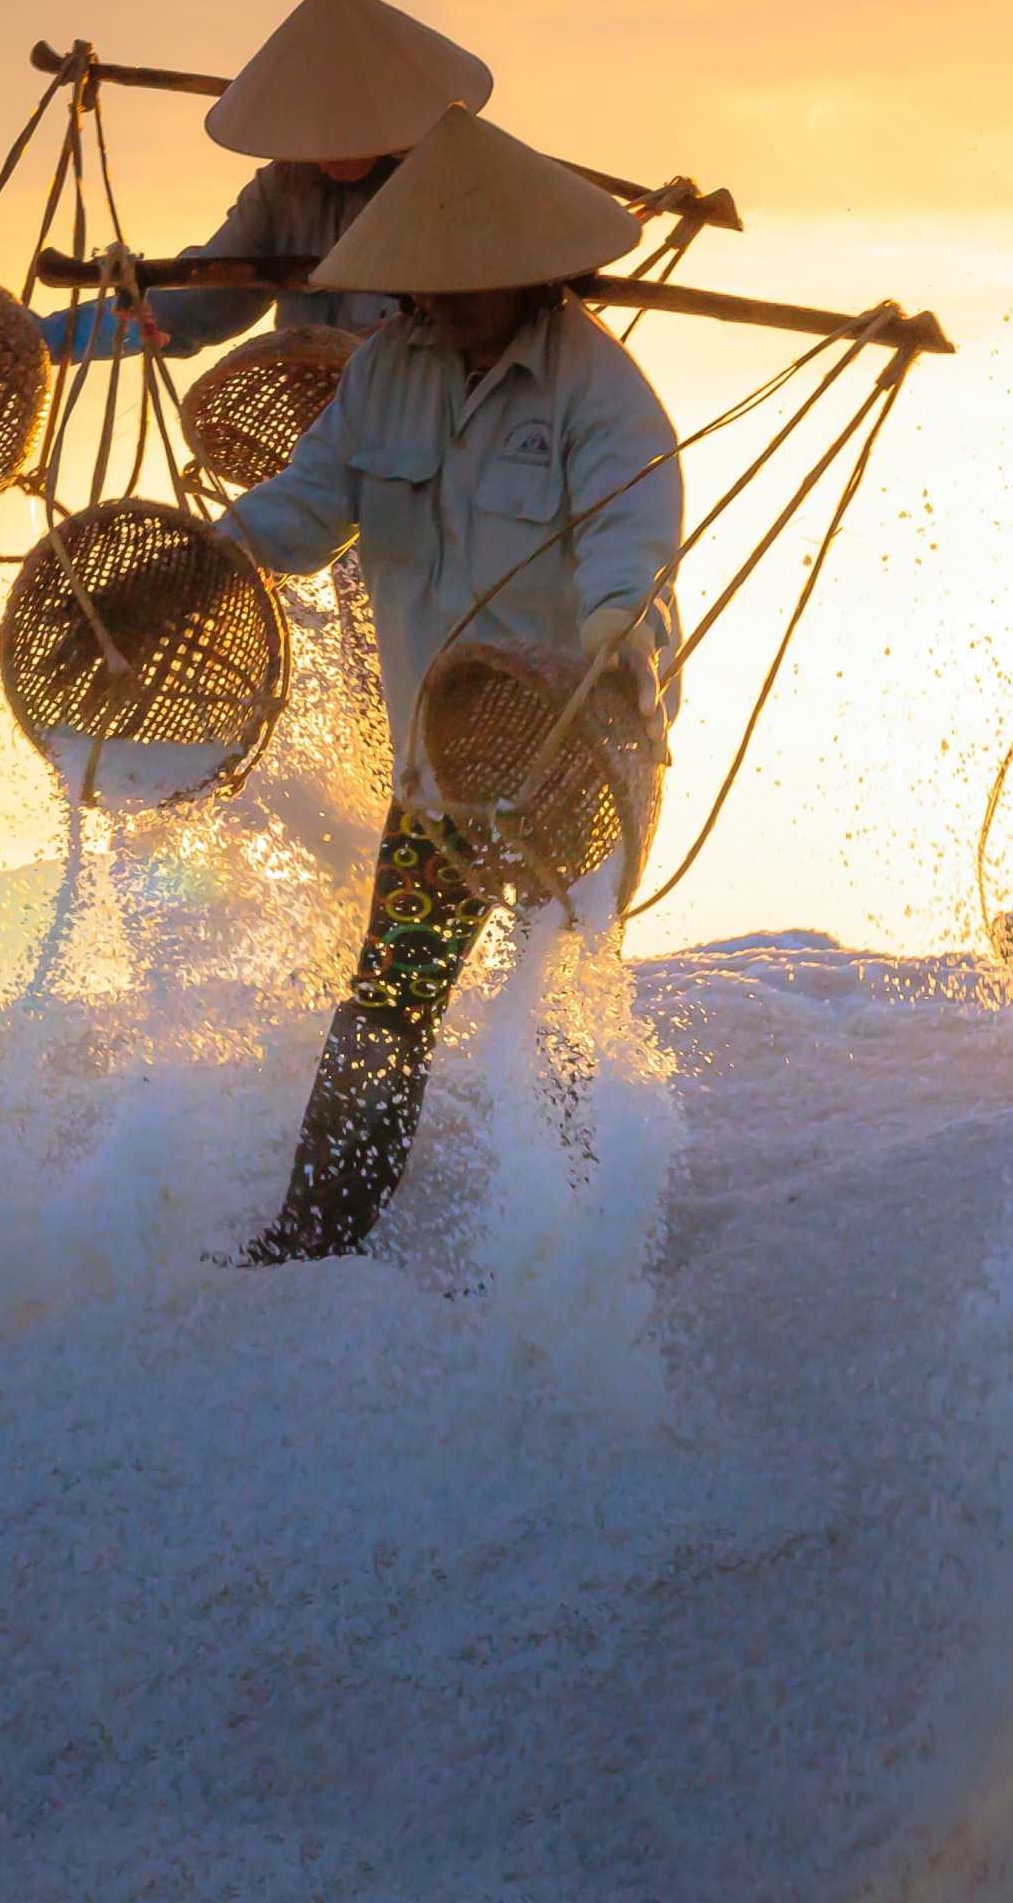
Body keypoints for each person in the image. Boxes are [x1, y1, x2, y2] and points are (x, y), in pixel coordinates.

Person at [211, 106, 683, 1264]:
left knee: (563, 1001)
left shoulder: (600, 393)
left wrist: (615, 643)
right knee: (388, 1000)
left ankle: (578, 1255)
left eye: (475, 283)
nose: (449, 302)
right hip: (439, 766)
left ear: (537, 276)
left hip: (574, 747)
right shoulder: (385, 372)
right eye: (432, 283)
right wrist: (220, 552)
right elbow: (310, 502)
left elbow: (634, 547)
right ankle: (316, 1240)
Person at [40, 0, 493, 361]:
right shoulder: (283, 190)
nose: (328, 150)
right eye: (315, 131)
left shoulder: (456, 183)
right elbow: (202, 300)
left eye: (347, 127)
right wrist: (51, 339)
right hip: (319, 426)